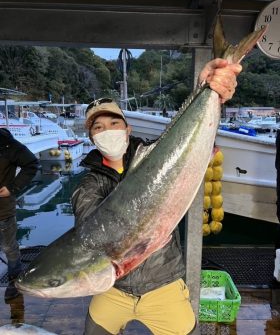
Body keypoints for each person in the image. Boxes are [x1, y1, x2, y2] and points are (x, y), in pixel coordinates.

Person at [71, 58, 242, 335]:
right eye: (98, 128)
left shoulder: (157, 156)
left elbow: (193, 138)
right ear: (91, 138)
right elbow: (91, 225)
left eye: (114, 123)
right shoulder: (90, 182)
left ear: (128, 129)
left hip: (163, 283)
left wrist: (209, 89)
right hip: (114, 288)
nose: (107, 131)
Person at [0, 128, 39, 301]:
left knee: (9, 247)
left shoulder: (8, 144)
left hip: (2, 210)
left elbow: (32, 164)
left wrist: (12, 188)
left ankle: (14, 282)